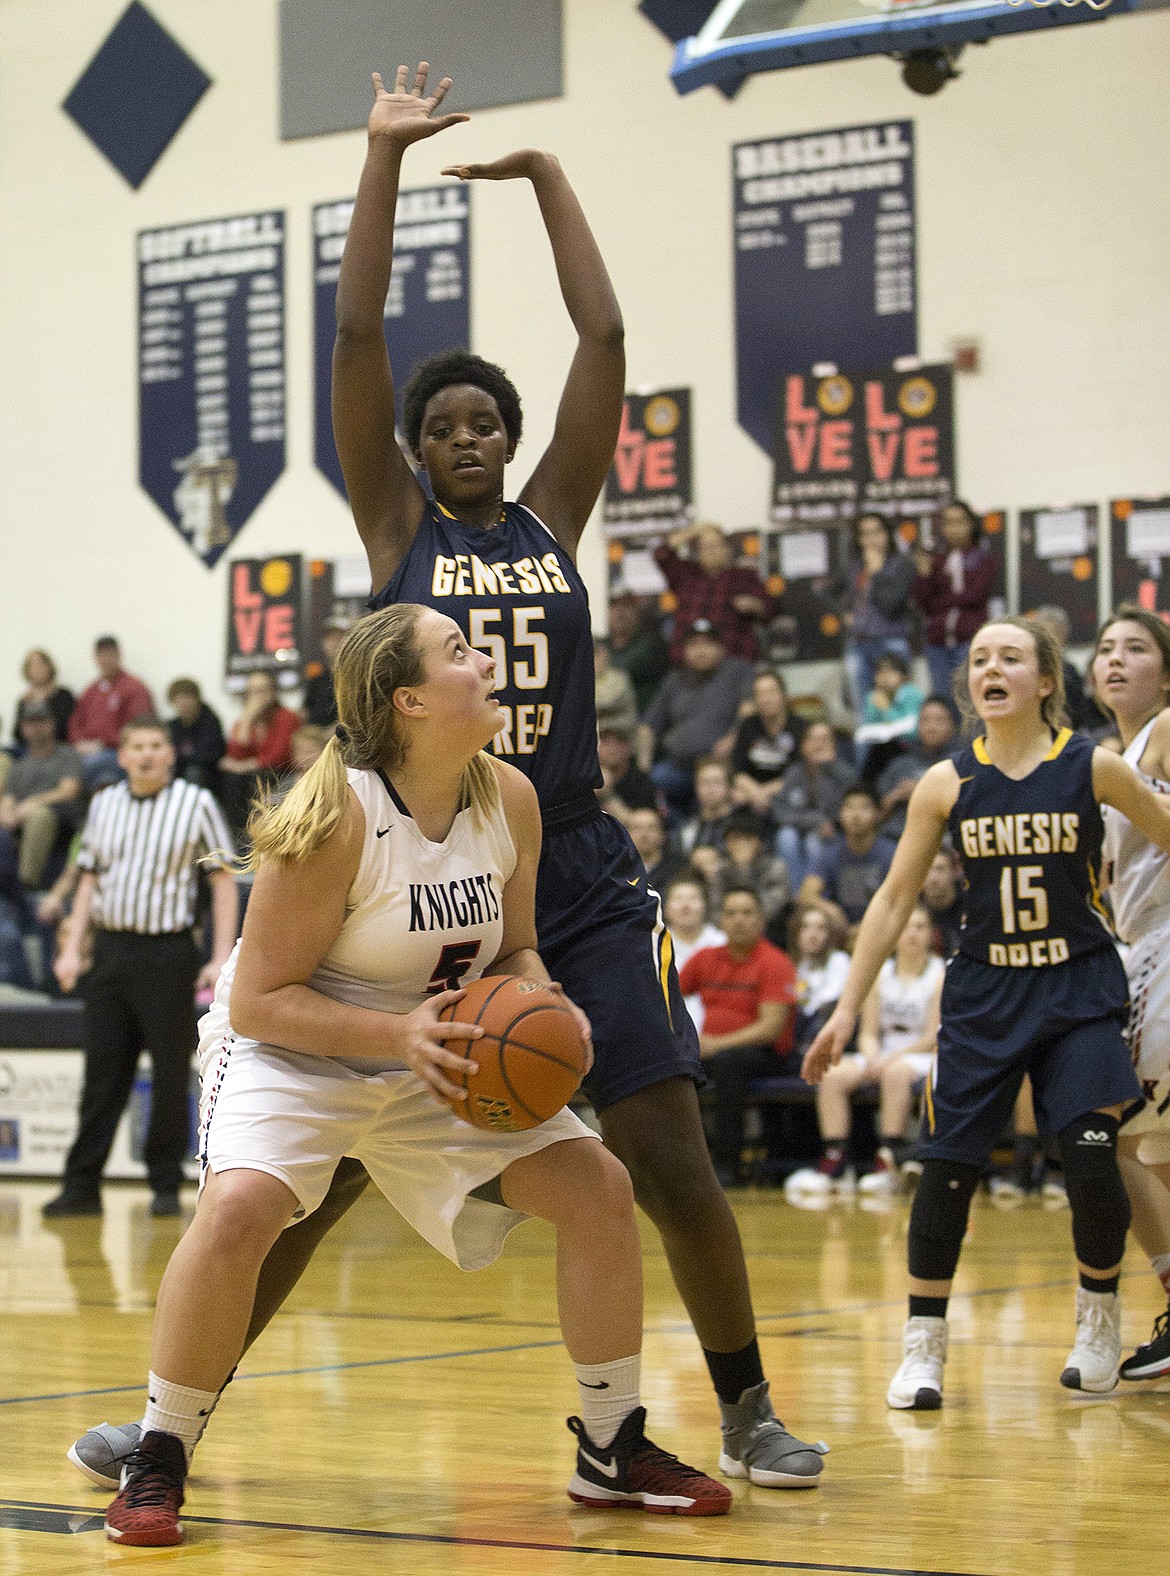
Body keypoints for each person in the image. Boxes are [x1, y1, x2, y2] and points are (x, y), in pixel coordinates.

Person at [326, 63, 822, 1486]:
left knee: (668, 1150)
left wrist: (547, 180)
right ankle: (181, 1413)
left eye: (486, 421)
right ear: (416, 454)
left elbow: (602, 329)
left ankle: (742, 1407)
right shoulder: (392, 537)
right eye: (446, 428)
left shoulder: (550, 519)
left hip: (581, 867)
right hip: (425, 858)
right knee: (319, 1167)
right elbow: (358, 329)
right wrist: (381, 160)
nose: (468, 437)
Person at [100, 605, 730, 1545]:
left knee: (599, 1187)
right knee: (241, 1211)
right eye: (461, 652)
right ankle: (159, 1451)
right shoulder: (331, 815)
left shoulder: (507, 797)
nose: (485, 660)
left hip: (432, 1049)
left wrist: (549, 1008)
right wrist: (398, 1034)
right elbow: (258, 1000)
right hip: (294, 1050)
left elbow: (513, 950)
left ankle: (611, 1444)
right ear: (409, 701)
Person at [803, 616, 1170, 1409]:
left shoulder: (1092, 766)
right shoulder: (946, 782)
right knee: (946, 1169)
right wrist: (845, 1009)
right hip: (984, 992)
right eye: (978, 660)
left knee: (1094, 1153)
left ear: (1045, 683)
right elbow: (894, 899)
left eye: (1011, 657)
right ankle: (922, 1347)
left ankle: (1098, 1320)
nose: (990, 669)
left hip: (1076, 989)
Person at [42, 719, 238, 1221]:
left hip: (167, 954)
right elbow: (88, 877)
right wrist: (72, 946)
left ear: (171, 754)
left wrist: (221, 956)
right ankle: (81, 1185)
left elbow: (222, 883)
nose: (147, 755)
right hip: (109, 951)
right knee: (102, 1072)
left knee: (171, 1072)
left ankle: (165, 1185)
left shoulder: (196, 803)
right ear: (122, 755)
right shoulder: (104, 803)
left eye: (155, 746)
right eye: (136, 747)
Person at [1091, 606, 1170, 1380]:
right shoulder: (1115, 754)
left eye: (1136, 649)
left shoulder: (1168, 727)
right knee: (1131, 1139)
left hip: (1169, 947)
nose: (1116, 659)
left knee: (1131, 1133)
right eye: (1106, 647)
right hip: (1141, 945)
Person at [786, 904, 942, 1199]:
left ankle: (890, 1162)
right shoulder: (880, 972)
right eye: (906, 926)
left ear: (931, 934)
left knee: (895, 1074)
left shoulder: (939, 973)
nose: (912, 934)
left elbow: (932, 1035)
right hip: (882, 1051)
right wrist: (872, 1055)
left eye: (920, 927)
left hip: (921, 1053)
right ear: (895, 934)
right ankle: (836, 1162)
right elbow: (869, 1031)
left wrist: (888, 1059)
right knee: (833, 1076)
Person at [680, 886, 797, 1185]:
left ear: (761, 920)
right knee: (671, 1066)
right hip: (714, 1053)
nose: (739, 920)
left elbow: (771, 1028)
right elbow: (665, 997)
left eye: (747, 913)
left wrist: (716, 1045)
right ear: (721, 919)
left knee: (729, 1063)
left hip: (766, 1054)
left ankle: (727, 1166)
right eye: (731, 913)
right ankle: (684, 1163)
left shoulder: (775, 962)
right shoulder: (705, 958)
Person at [637, 621, 755, 815]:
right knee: (653, 781)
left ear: (721, 647)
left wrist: (732, 739)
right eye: (694, 645)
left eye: (707, 644)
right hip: (679, 766)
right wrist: (643, 766)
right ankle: (678, 836)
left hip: (719, 766)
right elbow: (648, 725)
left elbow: (749, 710)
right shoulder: (675, 679)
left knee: (712, 787)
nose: (701, 651)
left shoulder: (737, 671)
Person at [653, 522, 774, 665]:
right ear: (698, 552)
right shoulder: (685, 574)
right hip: (688, 666)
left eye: (716, 545)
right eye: (705, 547)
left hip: (732, 660)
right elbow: (661, 553)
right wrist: (698, 529)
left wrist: (755, 605)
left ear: (728, 549)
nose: (711, 551)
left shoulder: (745, 576)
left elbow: (772, 608)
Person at [912, 501, 995, 701]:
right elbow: (922, 602)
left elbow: (974, 596)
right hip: (937, 641)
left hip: (969, 639)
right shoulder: (935, 560)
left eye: (960, 522)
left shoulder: (982, 558)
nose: (954, 528)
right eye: (948, 523)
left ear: (971, 524)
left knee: (971, 699)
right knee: (943, 700)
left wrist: (940, 602)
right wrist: (924, 575)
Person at [0, 703, 83, 889]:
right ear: (23, 728)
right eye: (31, 723)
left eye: (41, 722)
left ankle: (26, 884)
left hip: (62, 821)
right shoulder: (20, 765)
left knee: (40, 816)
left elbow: (69, 790)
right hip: (22, 822)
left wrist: (33, 803)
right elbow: (9, 799)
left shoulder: (66, 754)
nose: (36, 728)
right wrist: (6, 812)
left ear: (52, 724)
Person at [840, 515, 916, 715]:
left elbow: (891, 605)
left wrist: (876, 572)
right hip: (858, 643)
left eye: (877, 532)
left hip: (891, 642)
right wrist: (843, 612)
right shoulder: (855, 568)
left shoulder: (902, 564)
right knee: (864, 712)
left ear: (887, 535)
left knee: (899, 709)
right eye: (864, 534)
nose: (871, 539)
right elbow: (824, 592)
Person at [770, 721, 857, 891]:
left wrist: (826, 771)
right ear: (803, 746)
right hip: (801, 830)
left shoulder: (844, 774)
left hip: (835, 833)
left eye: (825, 739)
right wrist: (815, 821)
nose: (819, 745)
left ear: (833, 746)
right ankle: (796, 897)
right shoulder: (794, 773)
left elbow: (844, 809)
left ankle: (816, 896)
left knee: (814, 842)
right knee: (785, 836)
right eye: (813, 739)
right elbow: (781, 811)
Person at [218, 672, 301, 837]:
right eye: (252, 691)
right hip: (254, 775)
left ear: (273, 692)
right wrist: (248, 720)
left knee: (257, 776)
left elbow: (279, 757)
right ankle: (238, 838)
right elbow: (235, 754)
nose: (257, 696)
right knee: (231, 779)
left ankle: (259, 835)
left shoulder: (286, 717)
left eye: (262, 690)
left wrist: (244, 765)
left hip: (281, 774)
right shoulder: (246, 721)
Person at [802, 784, 897, 927]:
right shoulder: (830, 854)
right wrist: (831, 910)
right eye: (849, 807)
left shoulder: (892, 853)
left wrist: (865, 929)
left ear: (878, 814)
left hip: (881, 930)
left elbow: (902, 902)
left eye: (864, 808)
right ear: (840, 814)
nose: (855, 815)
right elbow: (806, 895)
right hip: (842, 932)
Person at [68, 637, 155, 788]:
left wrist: (103, 744)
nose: (106, 660)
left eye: (110, 655)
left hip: (117, 752)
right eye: (102, 656)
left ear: (119, 656)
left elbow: (139, 729)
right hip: (87, 751)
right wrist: (79, 743)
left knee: (79, 769)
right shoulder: (91, 690)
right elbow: (75, 722)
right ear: (96, 659)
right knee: (63, 762)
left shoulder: (134, 688)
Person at [875, 696, 960, 840]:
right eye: (925, 720)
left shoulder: (960, 764)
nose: (931, 727)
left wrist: (922, 792)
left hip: (943, 842)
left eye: (940, 720)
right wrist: (894, 797)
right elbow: (874, 815)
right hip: (895, 838)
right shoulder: (900, 764)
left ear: (953, 727)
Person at [730, 667, 804, 818]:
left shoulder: (800, 727)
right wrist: (754, 793)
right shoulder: (748, 725)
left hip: (787, 795)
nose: (766, 699)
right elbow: (737, 770)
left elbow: (799, 773)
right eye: (760, 694)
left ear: (783, 694)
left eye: (771, 692)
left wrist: (760, 794)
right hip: (751, 795)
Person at [703, 809, 791, 932]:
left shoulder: (775, 868)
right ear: (727, 843)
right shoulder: (720, 870)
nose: (741, 844)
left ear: (760, 843)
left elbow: (772, 907)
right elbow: (714, 908)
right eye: (735, 839)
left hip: (768, 930)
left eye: (747, 839)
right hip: (725, 932)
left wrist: (745, 869)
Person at [788, 902, 851, 1064]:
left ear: (830, 934)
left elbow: (828, 1000)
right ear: (796, 933)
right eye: (806, 927)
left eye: (820, 928)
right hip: (795, 1038)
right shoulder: (788, 965)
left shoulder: (839, 961)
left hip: (824, 1034)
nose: (813, 934)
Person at [663, 870, 726, 1030]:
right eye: (678, 899)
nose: (686, 906)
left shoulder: (721, 942)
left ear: (705, 905)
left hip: (715, 1029)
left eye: (693, 898)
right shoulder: (654, 944)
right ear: (665, 907)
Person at [853, 651, 923, 771]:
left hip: (909, 744)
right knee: (862, 745)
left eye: (891, 671)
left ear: (904, 676)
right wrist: (876, 706)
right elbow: (869, 726)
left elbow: (913, 730)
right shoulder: (873, 696)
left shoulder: (911, 692)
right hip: (882, 746)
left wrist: (886, 710)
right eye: (880, 671)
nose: (885, 676)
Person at [606, 592, 669, 715]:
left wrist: (597, 663)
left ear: (638, 612)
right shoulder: (601, 643)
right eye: (614, 606)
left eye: (627, 606)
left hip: (641, 719)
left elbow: (627, 666)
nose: (620, 613)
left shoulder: (653, 643)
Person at [166, 678, 226, 796]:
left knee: (194, 772)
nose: (183, 703)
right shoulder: (171, 726)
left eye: (187, 698)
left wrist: (181, 759)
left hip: (207, 773)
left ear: (197, 699)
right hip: (180, 769)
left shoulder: (210, 722)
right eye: (179, 699)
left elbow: (210, 755)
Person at [595, 725, 659, 822]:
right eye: (606, 742)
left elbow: (640, 822)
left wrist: (607, 794)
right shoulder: (587, 778)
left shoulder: (639, 780)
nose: (612, 749)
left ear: (630, 748)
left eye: (619, 742)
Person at [12, 649, 74, 746]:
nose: (37, 669)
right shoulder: (24, 700)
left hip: (57, 748)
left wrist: (45, 702)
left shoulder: (63, 695)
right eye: (32, 666)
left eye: (41, 664)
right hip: (29, 750)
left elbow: (65, 729)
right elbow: (17, 735)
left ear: (49, 666)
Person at [919, 845, 964, 957]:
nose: (933, 878)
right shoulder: (911, 909)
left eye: (940, 869)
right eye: (927, 869)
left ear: (954, 872)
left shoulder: (971, 906)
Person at [302, 620, 347, 728]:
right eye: (329, 639)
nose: (334, 643)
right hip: (316, 735)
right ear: (324, 644)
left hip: (345, 732)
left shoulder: (356, 675)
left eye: (338, 638)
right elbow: (306, 710)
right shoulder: (316, 680)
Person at [593, 636, 638, 737]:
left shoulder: (620, 679)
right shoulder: (580, 680)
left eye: (596, 653)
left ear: (605, 654)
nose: (593, 659)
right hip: (593, 735)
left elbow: (607, 704)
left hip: (620, 736)